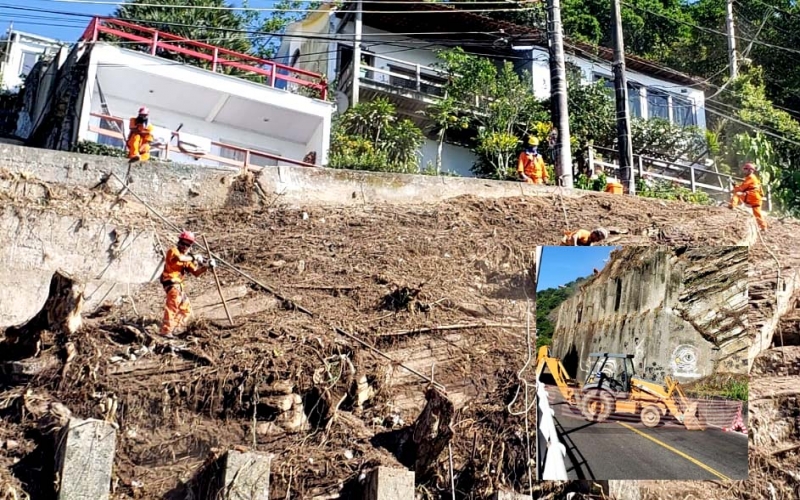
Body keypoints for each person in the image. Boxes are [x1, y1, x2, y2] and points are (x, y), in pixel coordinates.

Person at [159, 231, 216, 336]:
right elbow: (180, 258)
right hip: (172, 284)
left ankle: (176, 328)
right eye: (184, 243)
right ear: (179, 242)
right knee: (172, 307)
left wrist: (206, 266)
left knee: (186, 309)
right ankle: (166, 331)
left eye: (188, 245)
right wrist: (195, 257)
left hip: (179, 287)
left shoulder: (187, 259)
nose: (185, 246)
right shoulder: (173, 251)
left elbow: (196, 272)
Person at [729, 162, 767, 231]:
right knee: (757, 213)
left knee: (737, 194)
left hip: (751, 195)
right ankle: (763, 227)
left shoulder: (750, 177)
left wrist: (734, 189)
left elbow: (742, 188)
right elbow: (743, 187)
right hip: (757, 198)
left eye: (745, 169)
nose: (744, 170)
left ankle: (732, 206)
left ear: (750, 170)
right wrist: (735, 186)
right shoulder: (753, 178)